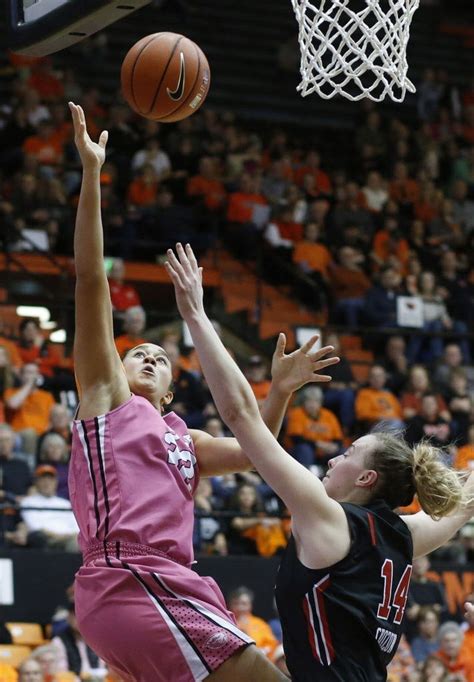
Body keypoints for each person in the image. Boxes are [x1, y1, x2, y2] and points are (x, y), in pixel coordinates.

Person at [66, 102, 337, 682]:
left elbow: (252, 449)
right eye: (137, 351)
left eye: (161, 359)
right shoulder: (106, 401)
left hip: (177, 581)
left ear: (169, 391)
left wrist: (282, 391)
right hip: (128, 578)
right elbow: (90, 282)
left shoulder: (182, 436)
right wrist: (92, 176)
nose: (148, 356)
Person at [165, 241, 474, 682]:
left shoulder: (328, 518)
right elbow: (460, 510)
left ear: (367, 477)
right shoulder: (401, 537)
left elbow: (239, 419)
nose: (333, 458)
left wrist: (195, 313)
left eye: (348, 453)